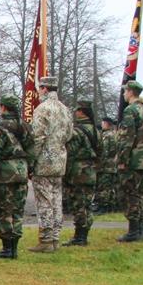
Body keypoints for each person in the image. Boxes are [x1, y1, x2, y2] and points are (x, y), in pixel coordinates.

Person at [29, 76, 73, 252]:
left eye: (40, 88)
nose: (39, 92)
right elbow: (69, 134)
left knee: (44, 202)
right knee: (56, 200)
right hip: (59, 160)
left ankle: (46, 239)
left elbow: (38, 137)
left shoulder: (42, 109)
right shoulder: (65, 110)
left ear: (45, 89)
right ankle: (55, 238)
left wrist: (32, 160)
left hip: (44, 161)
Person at [0, 95, 33, 260]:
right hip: (22, 171)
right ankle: (14, 246)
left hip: (5, 174)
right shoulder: (26, 127)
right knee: (17, 210)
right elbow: (32, 151)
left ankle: (7, 247)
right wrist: (30, 169)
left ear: (3, 107)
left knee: (4, 209)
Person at [116, 81, 143, 242]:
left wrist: (122, 159)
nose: (124, 94)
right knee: (141, 195)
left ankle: (133, 231)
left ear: (130, 92)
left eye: (125, 92)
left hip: (133, 160)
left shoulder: (131, 111)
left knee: (131, 195)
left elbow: (127, 137)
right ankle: (139, 229)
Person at [63, 99, 100, 247]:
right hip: (91, 169)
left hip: (78, 172)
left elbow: (70, 152)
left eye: (77, 110)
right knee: (87, 203)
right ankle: (84, 233)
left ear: (81, 112)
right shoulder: (96, 131)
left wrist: (66, 173)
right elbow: (100, 151)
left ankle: (80, 236)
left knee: (78, 204)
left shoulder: (76, 131)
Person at [95, 117, 118, 214]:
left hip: (105, 166)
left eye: (103, 123)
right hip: (112, 165)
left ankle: (103, 207)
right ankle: (111, 206)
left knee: (103, 187)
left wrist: (99, 164)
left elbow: (104, 151)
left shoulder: (106, 135)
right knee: (110, 187)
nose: (101, 124)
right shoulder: (114, 134)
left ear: (106, 123)